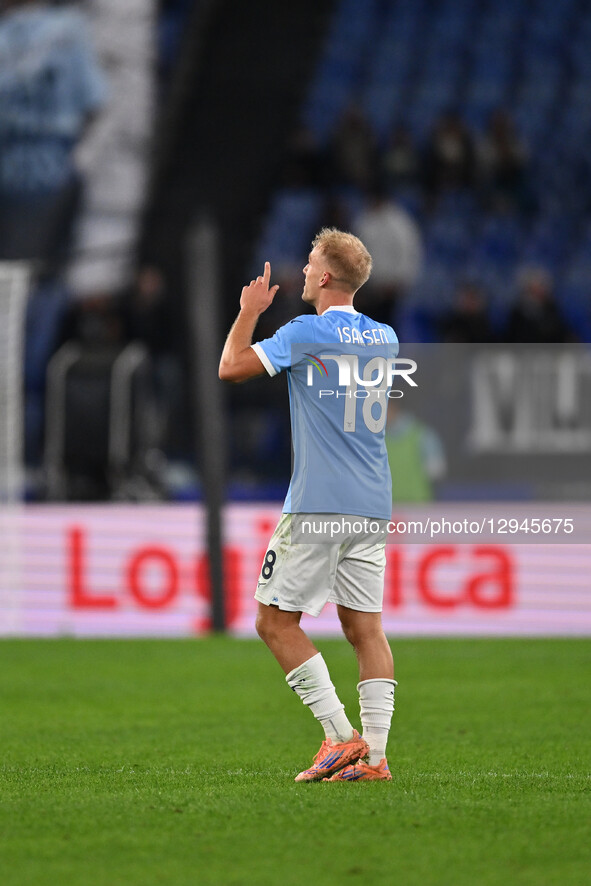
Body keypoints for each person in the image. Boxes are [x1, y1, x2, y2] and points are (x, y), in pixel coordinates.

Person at [219, 228, 398, 783]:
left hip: (319, 503)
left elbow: (230, 367)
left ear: (325, 277)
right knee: (366, 628)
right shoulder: (385, 338)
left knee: (274, 621)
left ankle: (340, 738)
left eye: (310, 261)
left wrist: (249, 311)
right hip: (372, 502)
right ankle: (374, 758)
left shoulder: (306, 331)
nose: (301, 270)